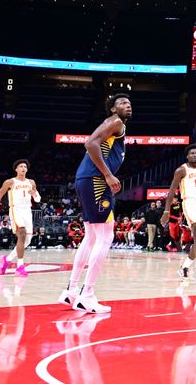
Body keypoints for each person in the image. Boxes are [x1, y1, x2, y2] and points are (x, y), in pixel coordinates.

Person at [59, 93, 131, 313]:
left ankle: (71, 292)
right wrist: (108, 175)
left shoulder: (113, 125)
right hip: (96, 180)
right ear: (112, 109)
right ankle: (87, 294)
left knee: (91, 236)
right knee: (106, 235)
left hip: (86, 179)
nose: (127, 106)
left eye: (129, 103)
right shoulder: (115, 122)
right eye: (122, 103)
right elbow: (89, 143)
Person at [162, 144, 196, 284]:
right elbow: (172, 191)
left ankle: (184, 267)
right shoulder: (181, 170)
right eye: (191, 153)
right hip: (189, 202)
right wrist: (166, 211)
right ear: (187, 156)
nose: (194, 155)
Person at [0, 159, 41, 277]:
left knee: (27, 242)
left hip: (27, 211)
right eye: (20, 166)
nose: (23, 168)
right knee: (21, 233)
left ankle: (7, 260)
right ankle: (20, 266)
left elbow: (38, 199)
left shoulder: (31, 182)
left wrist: (34, 193)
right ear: (16, 169)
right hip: (15, 209)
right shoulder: (10, 182)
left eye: (25, 167)